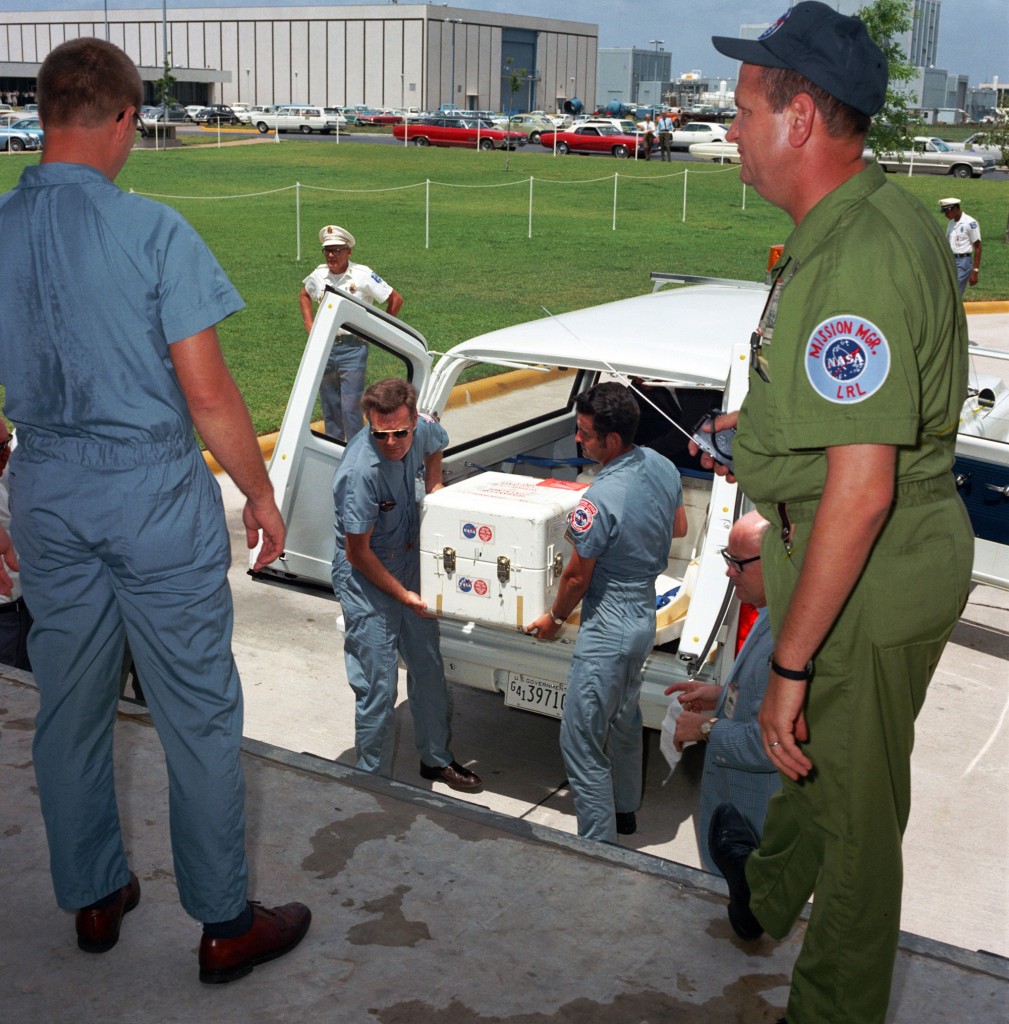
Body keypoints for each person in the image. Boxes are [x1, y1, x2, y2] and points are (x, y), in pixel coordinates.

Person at [0, 38, 310, 983]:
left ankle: (93, 896)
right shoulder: (155, 232)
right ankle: (223, 922)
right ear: (125, 116)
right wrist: (257, 492)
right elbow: (210, 396)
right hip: (149, 493)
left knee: (70, 708)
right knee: (199, 716)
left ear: (46, 110)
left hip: (46, 488)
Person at [697, 6, 974, 1022]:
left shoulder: (854, 254)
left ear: (800, 117)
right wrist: (763, 425)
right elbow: (846, 416)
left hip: (870, 563)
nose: (729, 130)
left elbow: (859, 491)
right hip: (871, 546)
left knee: (856, 825)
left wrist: (786, 662)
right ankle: (763, 891)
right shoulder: (868, 218)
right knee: (816, 754)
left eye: (740, 111)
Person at [526, 382, 688, 843]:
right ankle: (625, 811)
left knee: (579, 739)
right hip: (642, 617)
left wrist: (553, 619)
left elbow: (577, 577)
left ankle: (596, 847)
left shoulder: (598, 498)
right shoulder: (660, 464)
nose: (579, 440)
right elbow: (679, 526)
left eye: (584, 433)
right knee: (623, 717)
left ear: (611, 440)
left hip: (609, 627)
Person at [331, 378, 483, 791]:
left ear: (413, 419)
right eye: (382, 434)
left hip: (410, 564)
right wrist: (404, 596)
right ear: (370, 424)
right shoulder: (360, 473)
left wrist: (434, 489)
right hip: (368, 580)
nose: (393, 442)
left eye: (401, 432)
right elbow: (357, 554)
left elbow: (435, 443)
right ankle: (373, 782)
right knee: (377, 689)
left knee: (429, 670)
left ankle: (435, 759)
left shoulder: (423, 429)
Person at [664, 511, 779, 875]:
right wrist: (723, 692)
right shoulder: (768, 612)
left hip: (756, 830)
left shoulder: (788, 640)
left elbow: (771, 745)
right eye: (727, 560)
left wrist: (704, 728)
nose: (730, 572)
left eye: (738, 563)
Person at [299, 225, 404, 442]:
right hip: (325, 347)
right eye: (327, 251)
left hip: (353, 349)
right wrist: (309, 324)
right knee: (330, 408)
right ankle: (336, 454)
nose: (331, 255)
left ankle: (357, 454)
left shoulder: (363, 275)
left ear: (348, 251)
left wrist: (378, 330)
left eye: (337, 250)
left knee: (350, 409)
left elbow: (395, 299)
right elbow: (304, 295)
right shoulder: (319, 275)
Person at [0, 422, 32, 669]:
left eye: (7, 442)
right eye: (1, 447)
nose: (8, 452)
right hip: (7, 613)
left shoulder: (9, 472)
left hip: (23, 608)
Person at [939, 197, 982, 296]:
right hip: (951, 261)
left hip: (963, 262)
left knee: (955, 293)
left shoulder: (970, 223)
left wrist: (975, 271)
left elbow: (978, 247)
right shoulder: (951, 223)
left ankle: (954, 311)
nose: (945, 215)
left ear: (955, 209)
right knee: (948, 291)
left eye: (947, 212)